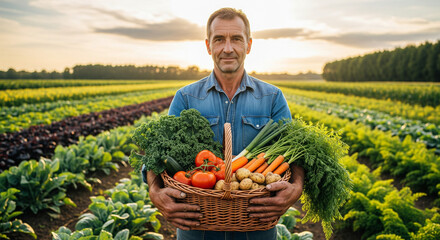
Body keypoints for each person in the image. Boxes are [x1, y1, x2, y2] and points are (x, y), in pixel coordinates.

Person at [144, 7, 304, 240]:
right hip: (196, 228)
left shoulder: (273, 97)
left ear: (248, 45)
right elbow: (159, 152)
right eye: (219, 39)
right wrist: (154, 190)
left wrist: (296, 187)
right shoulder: (185, 98)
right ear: (208, 46)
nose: (228, 48)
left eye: (236, 39)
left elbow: (296, 154)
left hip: (257, 227)